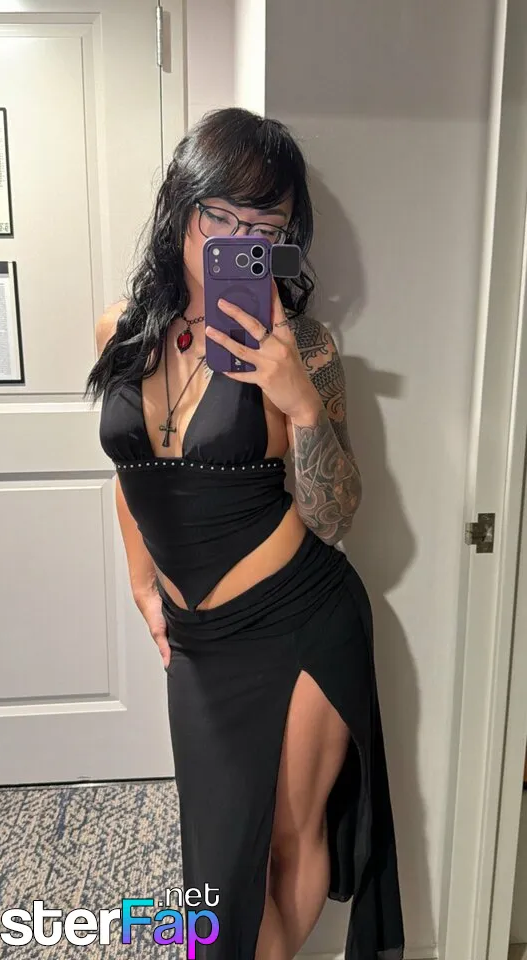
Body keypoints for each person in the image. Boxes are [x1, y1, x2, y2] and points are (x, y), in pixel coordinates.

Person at [85, 107, 404, 960]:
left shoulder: (305, 346)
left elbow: (336, 516)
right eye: (219, 215)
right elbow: (129, 473)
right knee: (218, 859)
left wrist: (301, 403)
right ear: (179, 207)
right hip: (198, 643)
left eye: (262, 228)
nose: (236, 239)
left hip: (299, 627)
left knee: (289, 842)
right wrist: (142, 582)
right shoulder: (120, 329)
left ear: (285, 240)